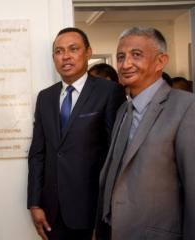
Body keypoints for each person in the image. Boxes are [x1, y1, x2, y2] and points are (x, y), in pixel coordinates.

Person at [27, 27, 126, 240]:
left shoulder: (109, 92)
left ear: (88, 53)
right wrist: (34, 203)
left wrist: (104, 214)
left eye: (73, 49)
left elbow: (115, 155)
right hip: (53, 213)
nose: (66, 56)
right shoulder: (45, 97)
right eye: (59, 51)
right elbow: (37, 154)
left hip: (92, 212)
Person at [96, 27, 195, 240]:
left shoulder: (186, 107)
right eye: (121, 57)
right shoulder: (124, 109)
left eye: (136, 55)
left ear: (161, 61)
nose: (125, 64)